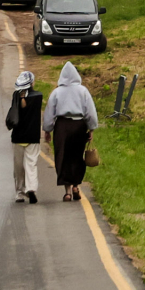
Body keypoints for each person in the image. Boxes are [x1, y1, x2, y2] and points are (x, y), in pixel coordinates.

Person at [42, 61, 99, 202]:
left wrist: (47, 130)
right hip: (79, 126)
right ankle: (76, 185)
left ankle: (67, 191)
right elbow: (90, 112)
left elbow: (49, 113)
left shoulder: (56, 92)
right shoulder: (83, 91)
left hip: (62, 126)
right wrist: (91, 128)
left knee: (62, 156)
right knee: (77, 156)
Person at [5, 70, 43, 204]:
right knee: (31, 164)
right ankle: (31, 188)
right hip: (33, 137)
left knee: (18, 167)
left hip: (18, 137)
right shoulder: (38, 97)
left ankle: (19, 193)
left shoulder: (16, 96)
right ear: (32, 83)